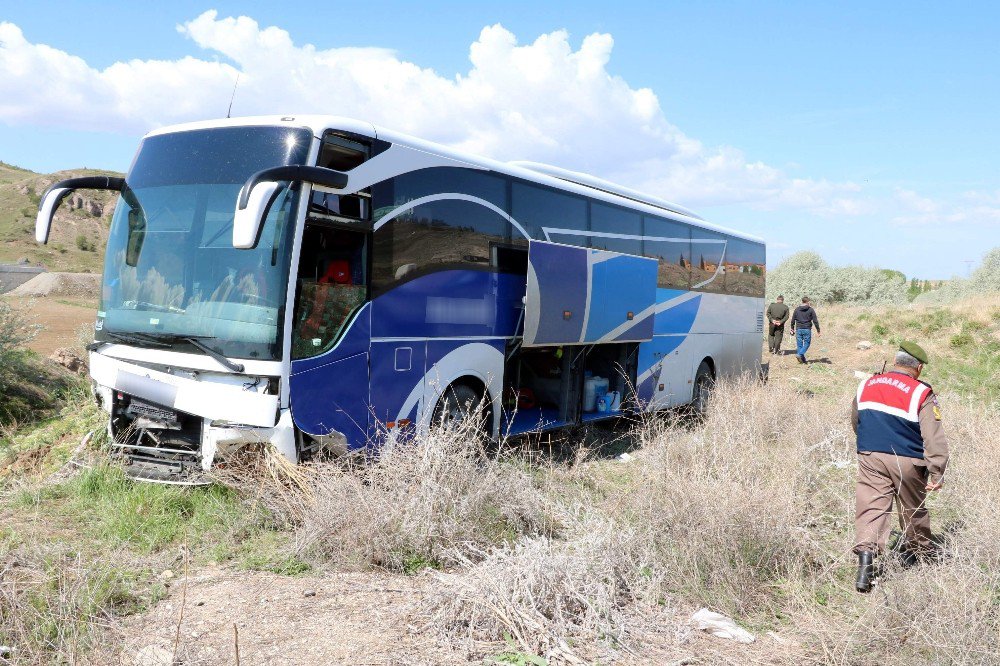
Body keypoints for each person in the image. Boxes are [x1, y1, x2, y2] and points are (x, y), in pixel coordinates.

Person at [851, 341, 949, 593]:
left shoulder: (867, 384)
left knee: (871, 507)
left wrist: (869, 446)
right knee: (913, 508)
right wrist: (937, 470)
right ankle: (923, 555)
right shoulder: (921, 392)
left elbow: (856, 419)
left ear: (895, 362)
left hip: (870, 454)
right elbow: (933, 436)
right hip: (906, 458)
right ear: (917, 367)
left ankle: (865, 563)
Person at [791, 296, 820, 363]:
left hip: (798, 329)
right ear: (808, 302)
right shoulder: (810, 310)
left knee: (799, 345)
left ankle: (802, 360)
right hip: (807, 329)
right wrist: (818, 330)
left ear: (802, 301)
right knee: (807, 343)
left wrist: (792, 328)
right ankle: (800, 354)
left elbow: (792, 320)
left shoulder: (797, 309)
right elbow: (815, 321)